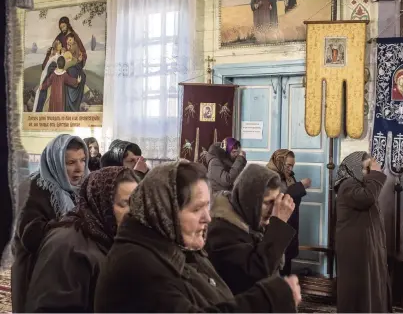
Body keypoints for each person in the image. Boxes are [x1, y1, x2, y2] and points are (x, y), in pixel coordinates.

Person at [94, 161, 301, 312]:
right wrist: (270, 298)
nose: (208, 218)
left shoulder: (180, 248)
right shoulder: (137, 264)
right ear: (166, 211)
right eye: (196, 209)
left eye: (207, 207)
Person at [25, 167, 139, 312]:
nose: (133, 212)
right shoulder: (67, 245)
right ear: (101, 202)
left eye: (136, 203)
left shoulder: (110, 235)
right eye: (124, 204)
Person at [11, 134, 89, 313]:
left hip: (68, 273)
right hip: (36, 272)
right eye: (70, 163)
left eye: (83, 160)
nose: (79, 169)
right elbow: (32, 238)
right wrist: (75, 223)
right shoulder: (32, 188)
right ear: (54, 162)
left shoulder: (83, 187)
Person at [206, 164, 296, 295]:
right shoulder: (222, 230)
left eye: (275, 202)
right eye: (267, 202)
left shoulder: (252, 222)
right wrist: (279, 224)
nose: (273, 209)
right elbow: (255, 276)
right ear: (249, 199)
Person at [335, 151, 390, 313]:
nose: (369, 172)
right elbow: (367, 198)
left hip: (363, 245)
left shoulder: (356, 184)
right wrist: (376, 174)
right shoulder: (347, 184)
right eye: (366, 169)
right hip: (355, 247)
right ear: (354, 168)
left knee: (369, 286)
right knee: (358, 290)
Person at [266, 149, 311, 276]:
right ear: (279, 162)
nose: (290, 169)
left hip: (289, 224)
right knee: (277, 264)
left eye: (292, 165)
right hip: (277, 225)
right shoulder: (269, 176)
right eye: (288, 165)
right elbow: (279, 198)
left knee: (287, 263)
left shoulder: (289, 177)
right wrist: (300, 186)